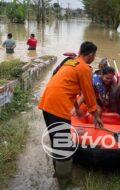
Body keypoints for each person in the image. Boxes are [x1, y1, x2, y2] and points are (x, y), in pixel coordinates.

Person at [39, 41, 103, 175]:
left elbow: (68, 89)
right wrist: (96, 116)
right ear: (91, 54)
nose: (94, 58)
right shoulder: (85, 68)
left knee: (56, 140)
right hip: (58, 107)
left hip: (47, 103)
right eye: (94, 55)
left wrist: (76, 107)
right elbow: (89, 94)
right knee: (64, 148)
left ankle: (57, 172)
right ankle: (64, 181)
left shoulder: (70, 63)